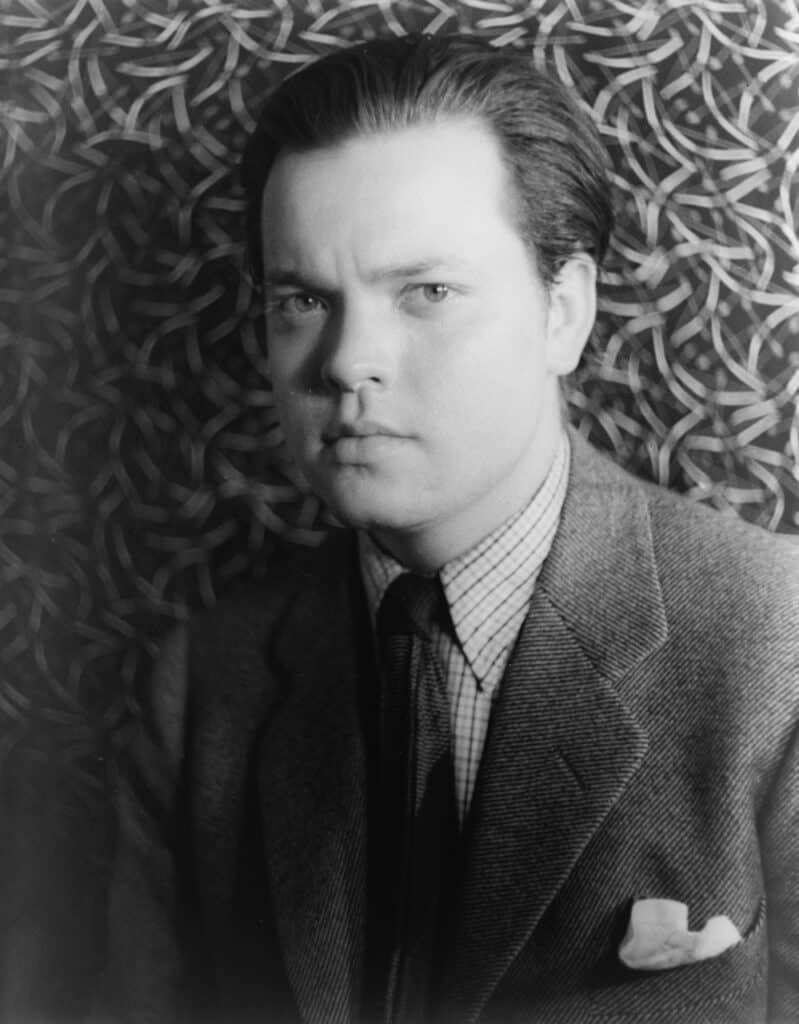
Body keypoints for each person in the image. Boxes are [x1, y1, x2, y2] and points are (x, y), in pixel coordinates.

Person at [106, 33, 799, 1024]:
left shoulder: (777, 650)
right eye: (302, 299)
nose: (349, 361)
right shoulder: (199, 694)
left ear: (564, 311)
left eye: (426, 292)